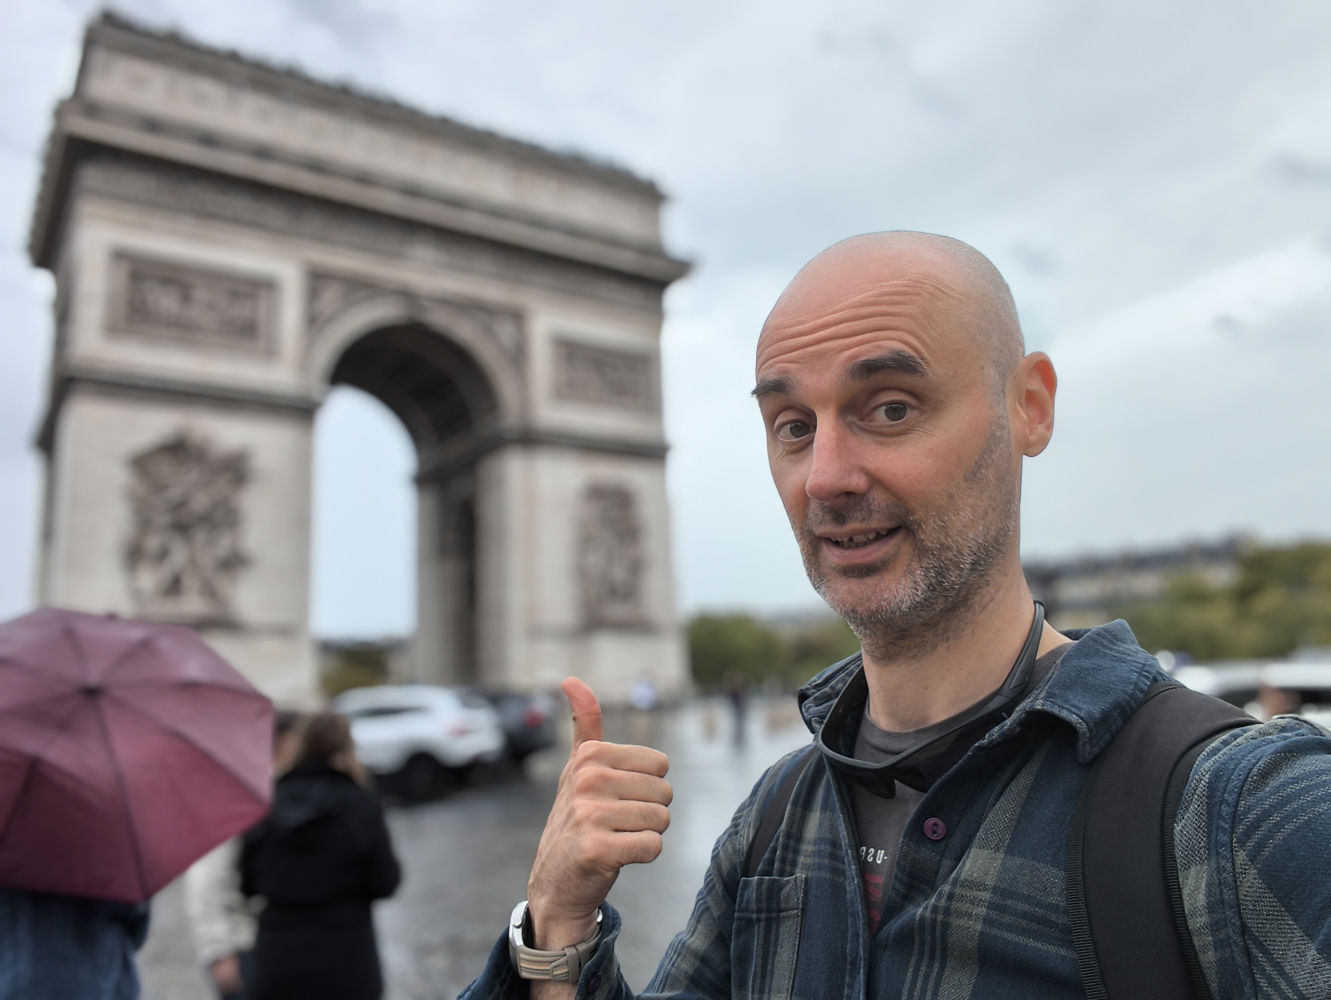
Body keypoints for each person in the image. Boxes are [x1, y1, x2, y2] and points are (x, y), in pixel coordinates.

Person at [459, 231, 1331, 999]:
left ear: (1028, 406)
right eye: (792, 425)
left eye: (890, 408)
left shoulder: (1250, 810)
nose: (826, 477)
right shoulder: (773, 814)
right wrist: (557, 928)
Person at [240, 711, 401, 1000]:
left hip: (278, 956)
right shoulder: (360, 801)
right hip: (347, 956)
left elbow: (246, 883)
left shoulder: (269, 800)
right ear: (346, 747)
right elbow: (385, 881)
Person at [184, 709, 303, 1000]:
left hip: (275, 944)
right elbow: (207, 877)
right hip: (243, 948)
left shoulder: (281, 790)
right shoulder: (243, 794)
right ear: (283, 742)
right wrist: (219, 951)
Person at [0, 887, 148, 998]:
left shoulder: (8, 851)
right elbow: (137, 931)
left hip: (16, 986)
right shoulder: (108, 851)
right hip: (99, 986)